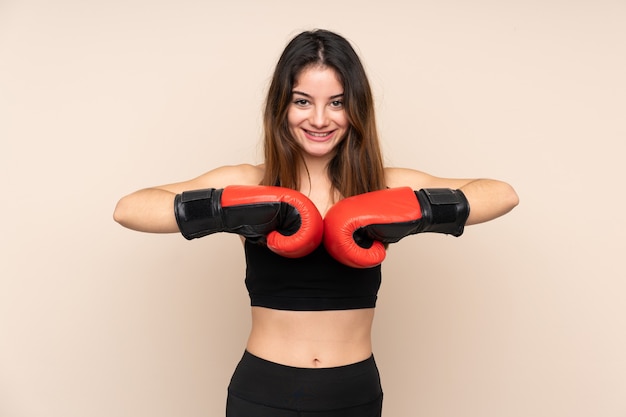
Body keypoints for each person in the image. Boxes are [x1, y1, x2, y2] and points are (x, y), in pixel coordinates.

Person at [113, 29, 518, 417]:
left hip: (353, 393)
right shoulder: (251, 181)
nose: (320, 119)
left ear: (355, 108)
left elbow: (502, 193)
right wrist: (229, 209)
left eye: (337, 103)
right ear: (281, 106)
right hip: (263, 391)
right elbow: (130, 208)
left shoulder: (382, 186)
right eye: (302, 101)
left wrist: (419, 212)